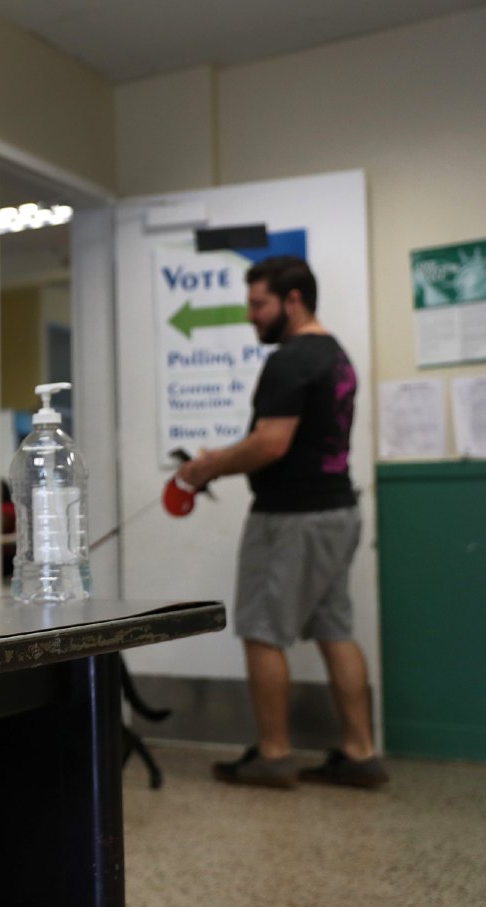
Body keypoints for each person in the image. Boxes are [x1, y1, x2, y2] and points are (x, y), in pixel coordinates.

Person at [174, 255, 387, 790]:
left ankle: (273, 755)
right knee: (336, 629)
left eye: (258, 303)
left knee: (262, 633)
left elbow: (272, 443)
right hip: (339, 509)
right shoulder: (335, 354)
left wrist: (206, 466)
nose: (251, 315)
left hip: (291, 517)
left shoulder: (291, 360)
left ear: (293, 301)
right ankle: (361, 755)